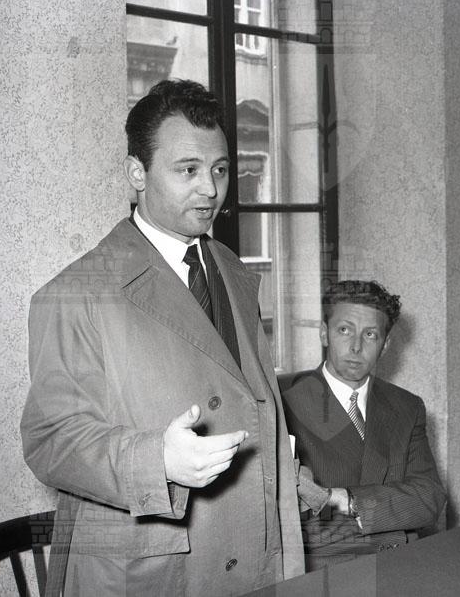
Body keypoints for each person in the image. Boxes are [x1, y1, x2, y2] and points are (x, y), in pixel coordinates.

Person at [21, 79, 303, 596]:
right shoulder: (75, 293)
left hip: (250, 559)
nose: (210, 189)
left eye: (220, 170)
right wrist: (158, 461)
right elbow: (51, 441)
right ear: (137, 174)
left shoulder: (232, 271)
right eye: (188, 170)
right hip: (150, 574)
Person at [280, 280, 446, 571]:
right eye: (345, 330)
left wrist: (346, 500)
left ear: (386, 344)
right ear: (324, 333)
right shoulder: (284, 403)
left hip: (400, 564)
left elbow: (429, 499)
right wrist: (393, 512)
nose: (356, 347)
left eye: (370, 334)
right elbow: (289, 522)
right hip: (322, 573)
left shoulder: (407, 406)